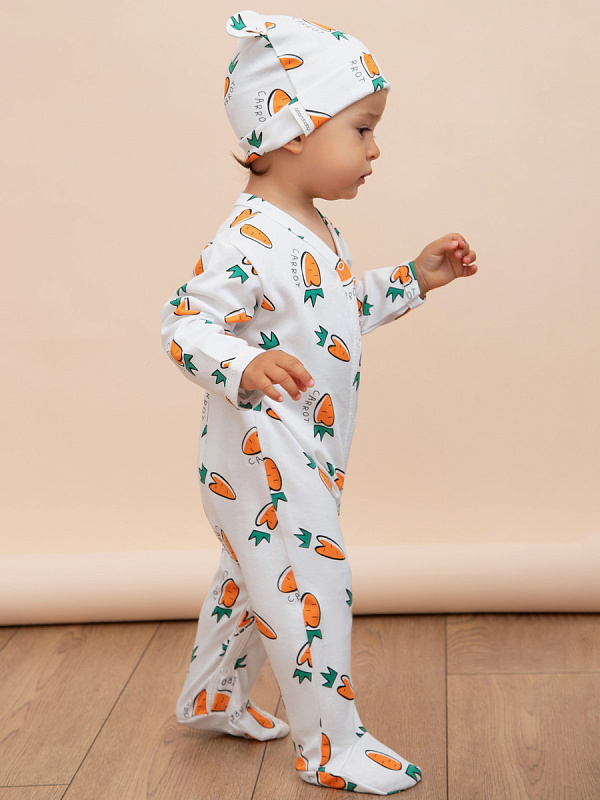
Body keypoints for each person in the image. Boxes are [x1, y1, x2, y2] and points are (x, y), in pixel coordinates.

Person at [160, 10, 477, 794]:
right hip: (262, 453)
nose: (375, 150)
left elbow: (334, 315)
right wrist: (245, 361)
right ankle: (330, 744)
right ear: (294, 129)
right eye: (362, 129)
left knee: (252, 578)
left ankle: (212, 696)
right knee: (309, 585)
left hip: (307, 449)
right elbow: (184, 326)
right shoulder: (246, 238)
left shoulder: (312, 229)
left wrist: (412, 278)